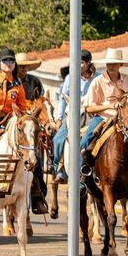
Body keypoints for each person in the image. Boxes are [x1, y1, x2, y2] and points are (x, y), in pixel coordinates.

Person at [78, 48, 128, 175]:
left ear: (120, 65)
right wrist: (109, 106)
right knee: (85, 141)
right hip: (103, 119)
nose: (111, 66)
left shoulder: (127, 80)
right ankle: (83, 174)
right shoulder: (98, 82)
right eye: (109, 63)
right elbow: (89, 108)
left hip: (125, 119)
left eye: (114, 63)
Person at [13, 53, 49, 214]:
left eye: (26, 66)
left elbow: (40, 102)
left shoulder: (35, 81)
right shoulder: (10, 81)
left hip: (30, 122)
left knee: (37, 157)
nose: (24, 69)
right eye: (21, 66)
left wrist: (40, 116)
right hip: (13, 119)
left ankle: (37, 194)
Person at [52, 50, 95, 183]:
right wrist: (59, 118)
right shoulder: (69, 78)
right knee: (58, 139)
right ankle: (59, 170)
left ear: (88, 63)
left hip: (90, 114)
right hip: (71, 115)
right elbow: (63, 99)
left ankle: (93, 168)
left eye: (81, 62)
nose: (78, 65)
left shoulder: (98, 78)